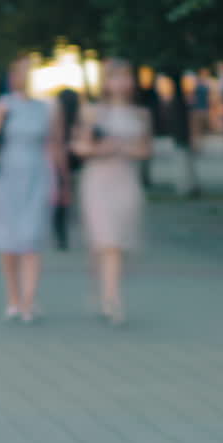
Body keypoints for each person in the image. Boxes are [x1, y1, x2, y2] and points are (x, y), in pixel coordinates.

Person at [0, 57, 68, 325]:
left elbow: (56, 145)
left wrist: (62, 181)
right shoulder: (5, 105)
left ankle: (29, 300)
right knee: (8, 240)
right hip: (6, 176)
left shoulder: (50, 107)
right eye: (20, 74)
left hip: (37, 175)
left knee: (31, 237)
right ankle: (13, 298)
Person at [73, 60, 151, 326]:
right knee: (106, 242)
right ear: (105, 82)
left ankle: (104, 291)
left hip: (125, 180)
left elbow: (144, 150)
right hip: (98, 181)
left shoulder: (140, 114)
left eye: (126, 77)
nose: (121, 83)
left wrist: (124, 149)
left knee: (118, 242)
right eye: (115, 77)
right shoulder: (93, 112)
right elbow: (80, 147)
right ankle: (111, 299)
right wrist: (99, 150)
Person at [53, 87, 83, 251]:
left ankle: (60, 235)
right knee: (63, 200)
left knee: (59, 202)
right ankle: (61, 235)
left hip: (57, 165)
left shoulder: (56, 120)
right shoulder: (77, 120)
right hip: (70, 165)